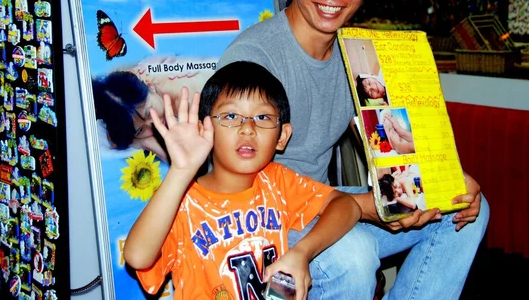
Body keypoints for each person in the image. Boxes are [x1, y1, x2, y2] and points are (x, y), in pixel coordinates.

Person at [217, 0, 489, 300]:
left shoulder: (357, 55)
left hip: (325, 212)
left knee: (468, 211)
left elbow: (388, 139)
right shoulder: (256, 58)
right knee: (354, 254)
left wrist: (439, 180)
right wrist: (365, 204)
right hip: (263, 219)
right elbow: (236, 182)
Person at [123, 61, 365, 300]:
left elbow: (346, 205)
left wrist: (302, 252)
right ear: (204, 130)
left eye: (262, 117)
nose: (247, 128)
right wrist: (181, 171)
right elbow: (137, 257)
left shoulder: (276, 182)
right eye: (230, 115)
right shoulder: (182, 203)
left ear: (282, 137)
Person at [92, 56, 215, 162]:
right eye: (140, 131)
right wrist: (145, 143)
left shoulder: (191, 96)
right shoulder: (131, 81)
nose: (153, 124)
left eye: (149, 112)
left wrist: (142, 142)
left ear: (149, 85)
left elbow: (192, 166)